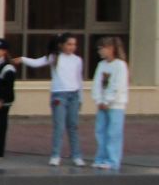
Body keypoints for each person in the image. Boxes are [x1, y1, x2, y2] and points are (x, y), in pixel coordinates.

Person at [17, 33, 86, 166]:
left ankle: (76, 155)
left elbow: (79, 79)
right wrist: (22, 59)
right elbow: (37, 62)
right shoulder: (54, 57)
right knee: (59, 126)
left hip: (74, 95)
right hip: (59, 95)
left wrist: (80, 98)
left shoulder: (77, 60)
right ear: (61, 45)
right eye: (69, 44)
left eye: (74, 44)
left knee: (73, 126)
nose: (72, 47)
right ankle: (55, 155)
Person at [91, 37, 128, 173]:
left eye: (102, 48)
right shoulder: (102, 65)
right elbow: (96, 84)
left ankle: (112, 161)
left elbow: (116, 85)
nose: (100, 51)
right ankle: (100, 158)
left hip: (116, 105)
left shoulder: (120, 65)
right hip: (102, 104)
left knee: (114, 133)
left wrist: (108, 101)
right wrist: (98, 100)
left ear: (111, 48)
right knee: (101, 131)